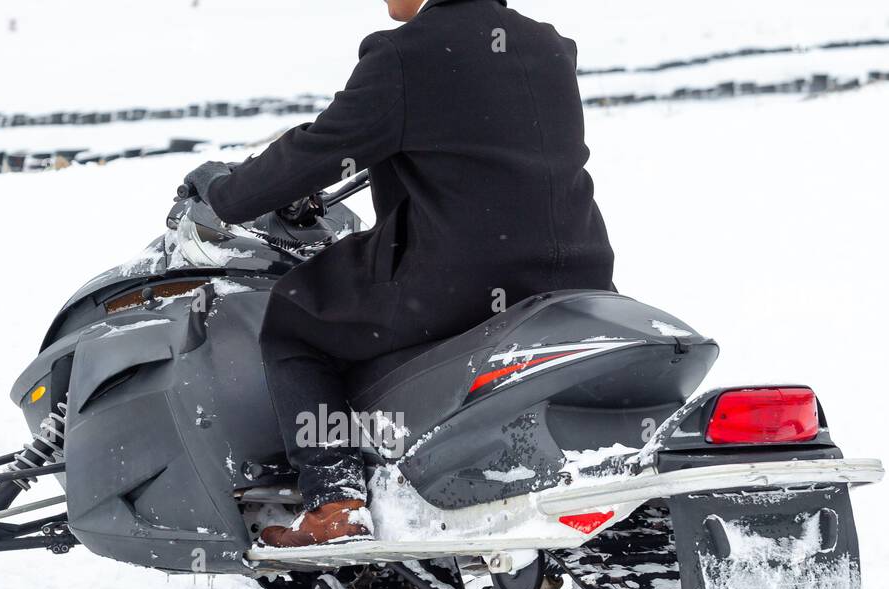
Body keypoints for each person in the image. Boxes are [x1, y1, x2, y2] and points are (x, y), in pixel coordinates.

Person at [182, 0, 614, 547]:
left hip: (458, 278)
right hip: (576, 271)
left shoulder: (404, 53)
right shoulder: (548, 45)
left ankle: (334, 499)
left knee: (294, 314)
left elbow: (322, 146)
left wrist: (225, 192)